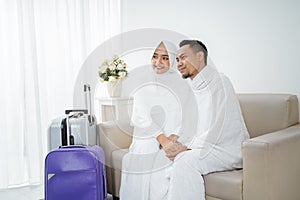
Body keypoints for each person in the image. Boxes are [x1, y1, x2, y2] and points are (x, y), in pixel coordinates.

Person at [156, 40, 250, 200]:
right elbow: (187, 124)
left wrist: (187, 149)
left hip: (225, 148)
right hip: (202, 147)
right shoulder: (190, 90)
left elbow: (223, 127)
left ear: (200, 56)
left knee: (184, 160)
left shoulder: (220, 82)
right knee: (162, 157)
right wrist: (175, 142)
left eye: (183, 57)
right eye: (177, 60)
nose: (179, 64)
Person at [119, 41, 197, 200]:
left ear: (173, 60)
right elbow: (142, 116)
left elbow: (187, 115)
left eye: (164, 58)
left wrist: (174, 138)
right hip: (147, 134)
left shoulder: (182, 84)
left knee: (169, 158)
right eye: (154, 57)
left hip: (175, 136)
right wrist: (162, 140)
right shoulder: (143, 81)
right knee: (147, 148)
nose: (158, 62)